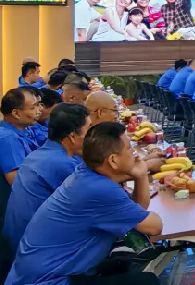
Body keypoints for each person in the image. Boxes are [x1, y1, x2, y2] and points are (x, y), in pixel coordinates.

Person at [5, 122, 162, 285]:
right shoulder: (100, 190)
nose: (135, 154)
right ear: (113, 160)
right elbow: (154, 227)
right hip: (49, 280)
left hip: (40, 271)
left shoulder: (86, 173)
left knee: (124, 263)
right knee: (147, 281)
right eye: (129, 148)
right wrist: (143, 172)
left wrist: (141, 175)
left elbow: (137, 212)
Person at [3, 103, 89, 248]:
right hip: (33, 247)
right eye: (89, 130)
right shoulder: (62, 163)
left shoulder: (43, 152)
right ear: (73, 136)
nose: (92, 137)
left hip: (16, 240)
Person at [0, 87, 40, 184]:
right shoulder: (8, 138)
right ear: (16, 113)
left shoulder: (26, 129)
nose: (39, 110)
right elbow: (15, 181)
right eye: (33, 107)